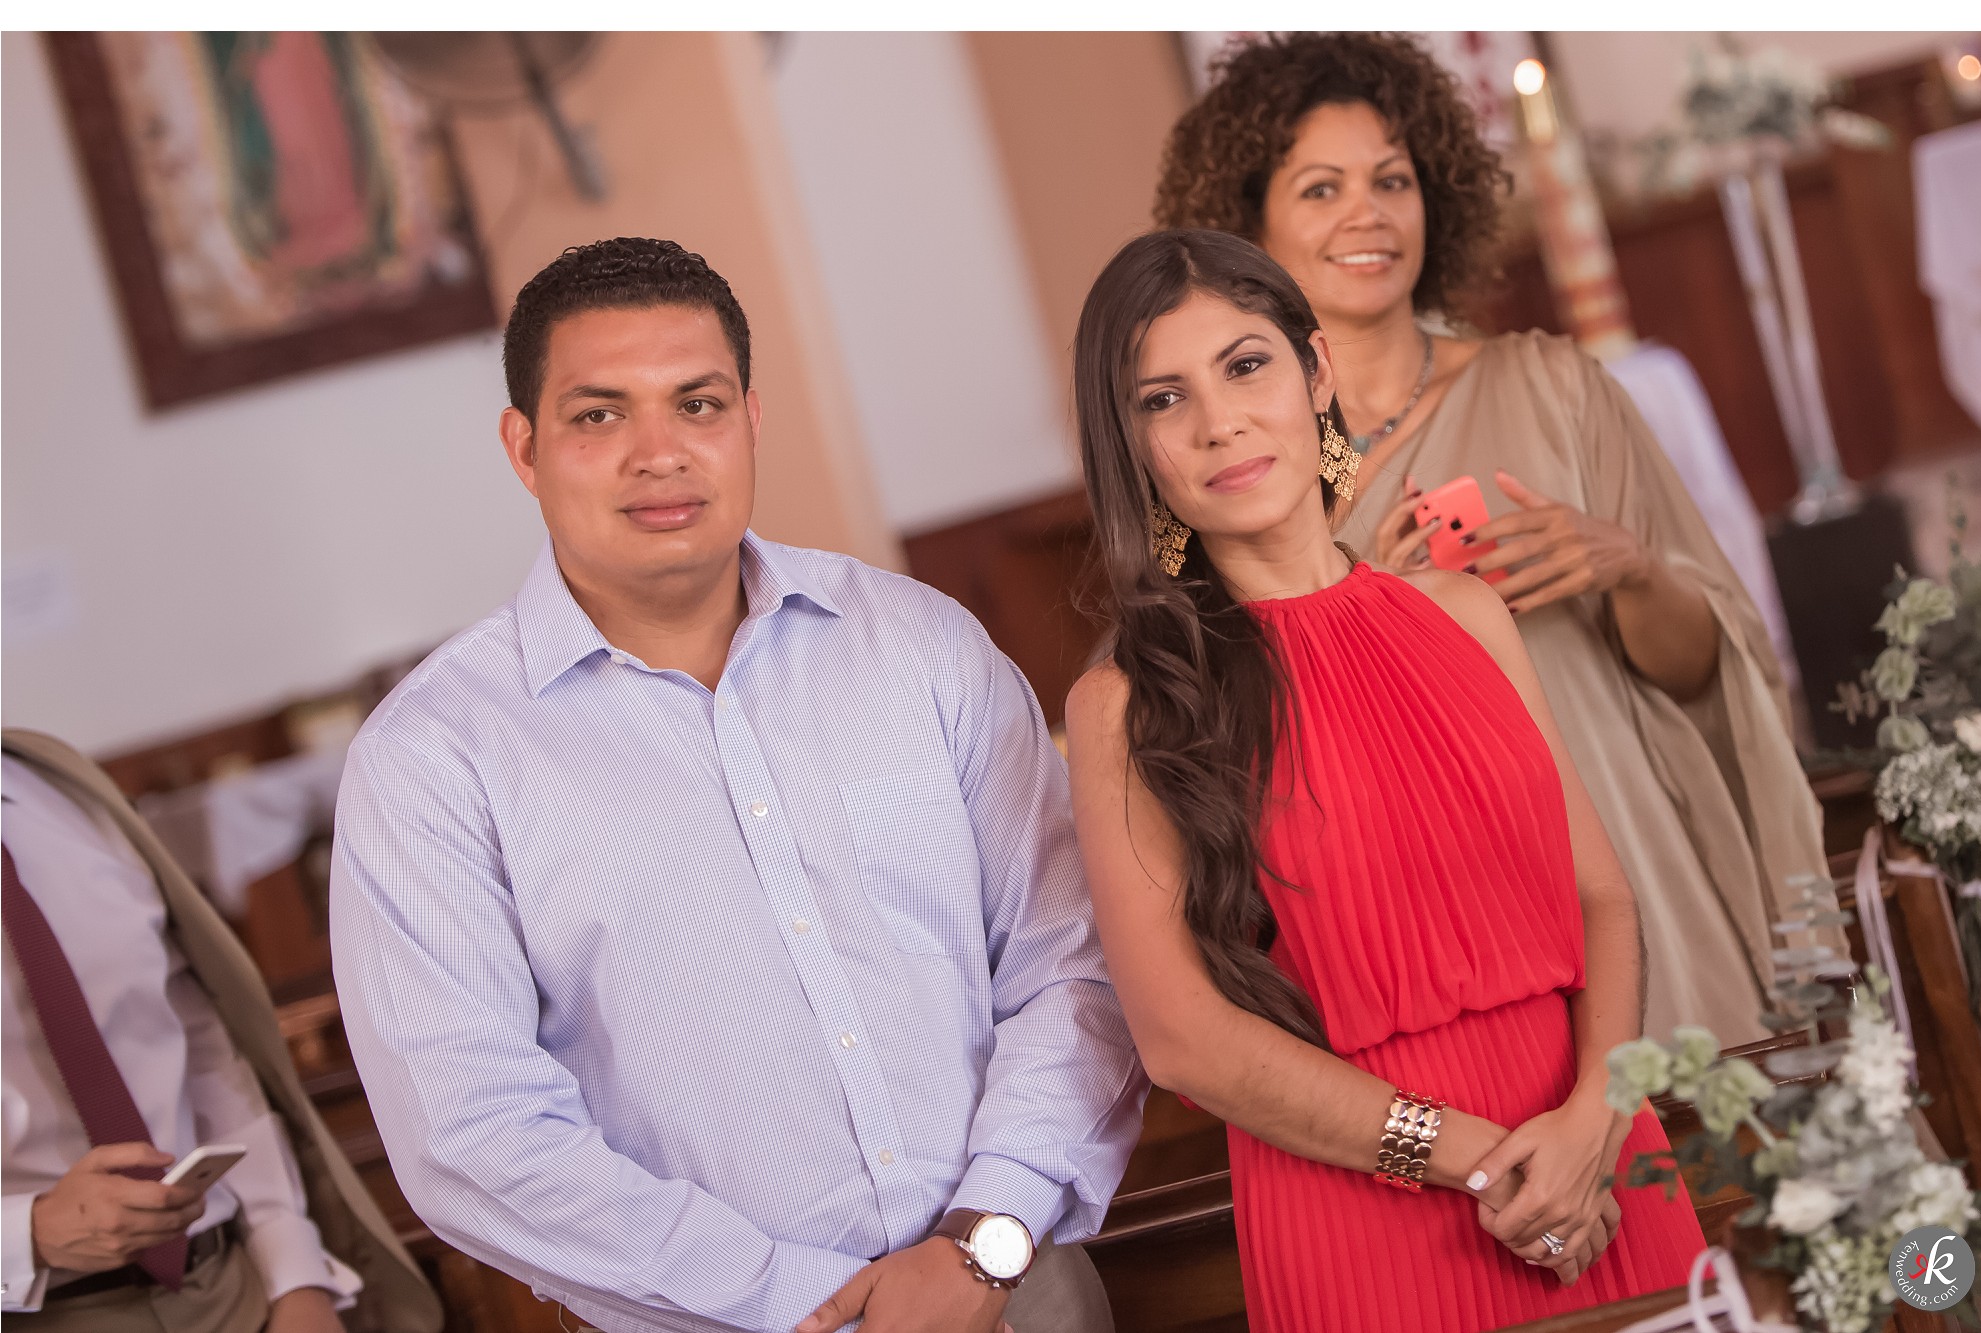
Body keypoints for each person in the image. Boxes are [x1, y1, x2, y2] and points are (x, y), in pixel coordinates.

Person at [329, 237, 1145, 1333]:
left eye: (698, 404)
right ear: (524, 446)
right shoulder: (431, 758)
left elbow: (1071, 962)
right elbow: (472, 1131)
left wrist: (982, 1237)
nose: (659, 453)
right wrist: (795, 1300)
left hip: (1016, 1290)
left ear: (750, 420)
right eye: (599, 414)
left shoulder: (918, 645)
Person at [1063, 228, 1705, 1332]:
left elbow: (1601, 896)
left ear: (1315, 372)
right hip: (1369, 1212)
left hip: (1594, 1165)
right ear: (1131, 445)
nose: (1219, 422)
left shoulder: (1468, 614)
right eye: (1162, 398)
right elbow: (1182, 1038)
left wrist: (1598, 1115)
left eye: (1245, 365)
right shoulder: (1125, 705)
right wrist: (1473, 1159)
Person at [1154, 31, 1832, 1047]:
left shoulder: (1556, 387)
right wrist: (1374, 621)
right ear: (1246, 227)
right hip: (1439, 922)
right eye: (1321, 188)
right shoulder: (1246, 479)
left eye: (1392, 180)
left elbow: (1706, 675)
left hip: (1630, 850)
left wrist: (1629, 570)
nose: (1368, 214)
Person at [1, 728, 440, 1333]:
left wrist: (295, 1275)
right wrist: (28, 1235)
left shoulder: (52, 786)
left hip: (231, 1287)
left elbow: (200, 1045)